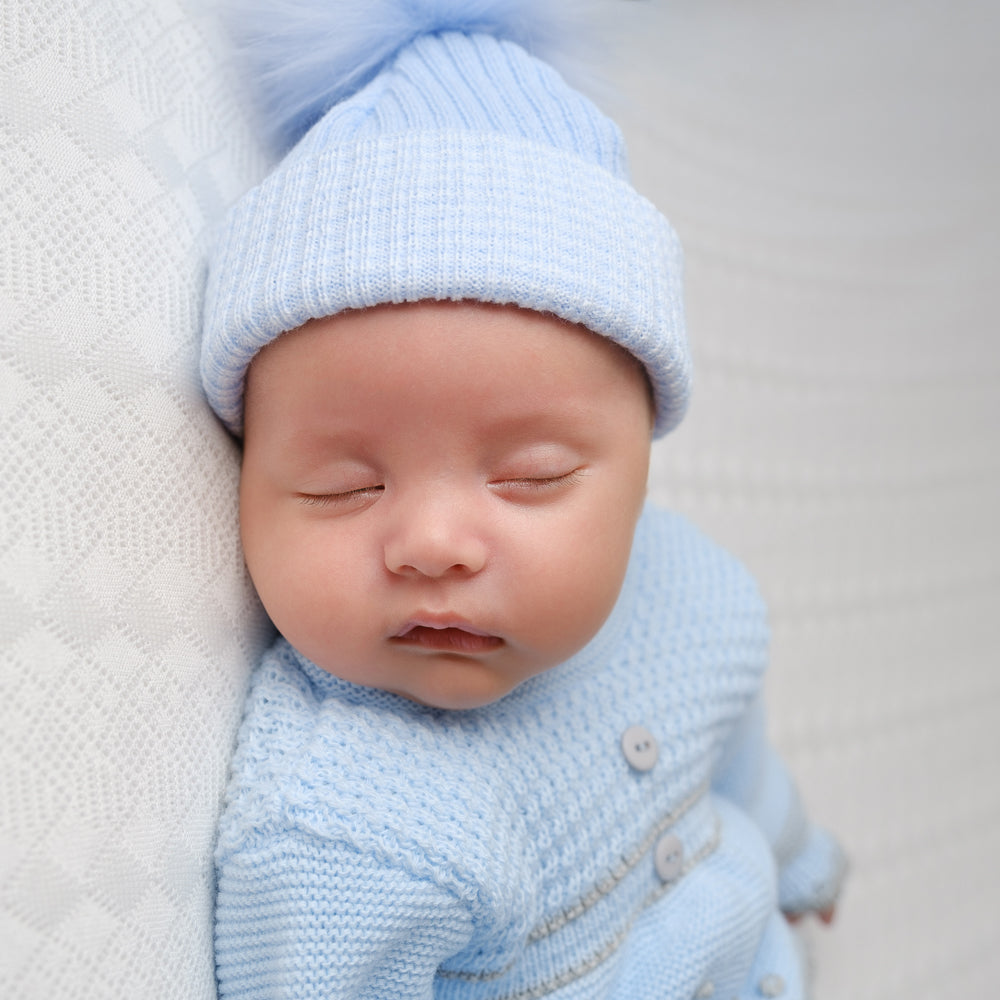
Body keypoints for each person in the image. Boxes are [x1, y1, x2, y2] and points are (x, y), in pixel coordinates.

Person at [202, 3, 846, 998]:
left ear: (639, 473)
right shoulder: (345, 838)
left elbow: (739, 765)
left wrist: (798, 858)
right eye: (345, 485)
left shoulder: (697, 595)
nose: (432, 543)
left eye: (530, 477)